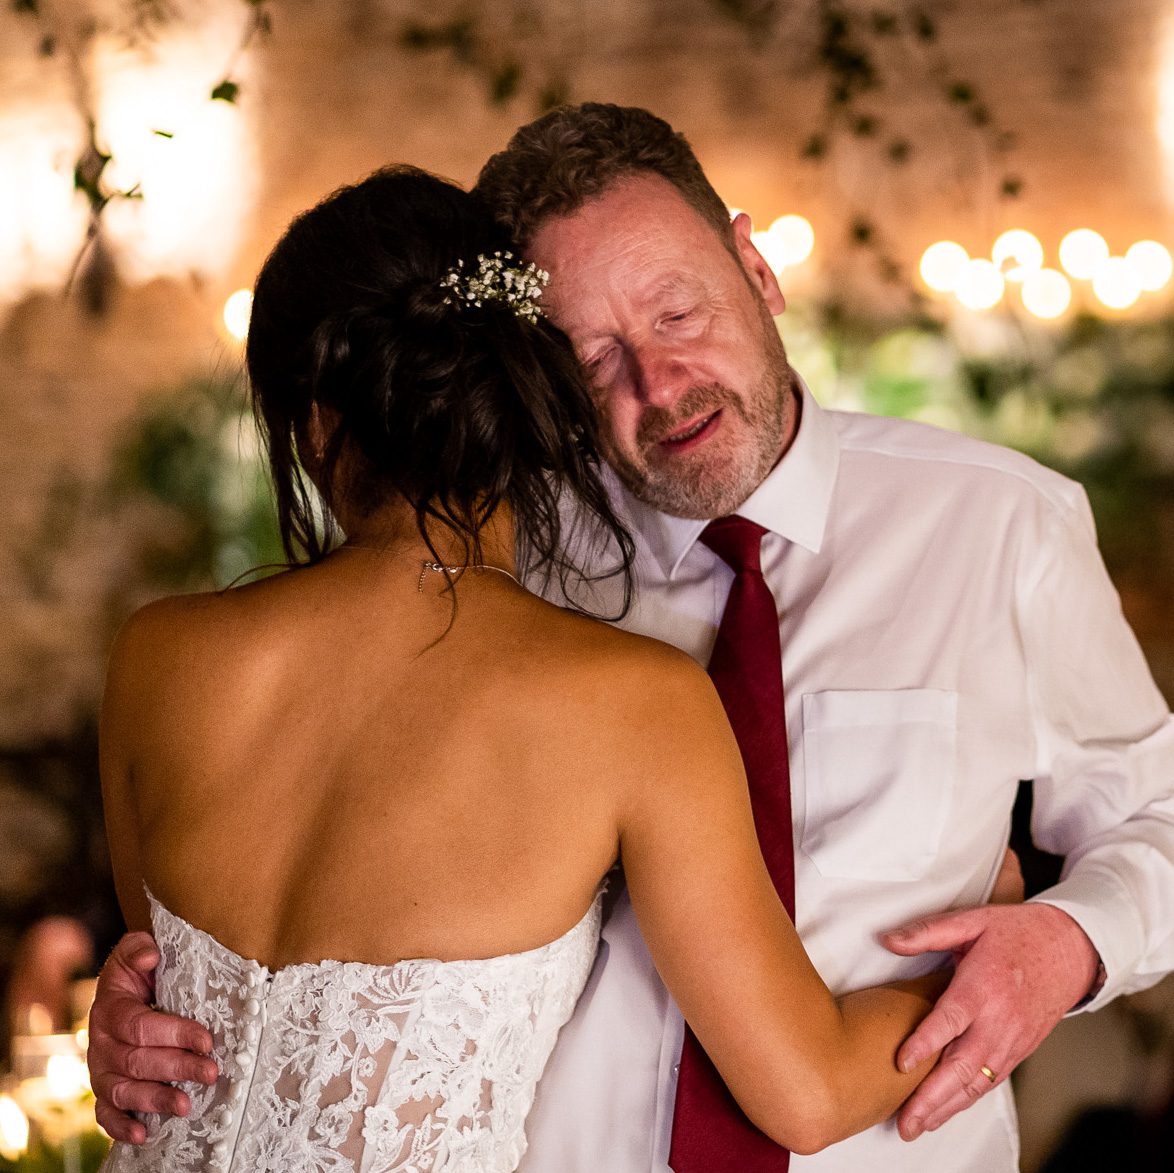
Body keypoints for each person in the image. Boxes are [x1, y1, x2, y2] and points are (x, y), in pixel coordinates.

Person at [88, 105, 1174, 1170]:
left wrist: (1064, 946)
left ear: (756, 269)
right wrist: (139, 1009)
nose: (657, 385)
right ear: (528, 381)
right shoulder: (505, 562)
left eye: (677, 313)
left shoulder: (1002, 525)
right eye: (592, 357)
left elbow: (1156, 814)